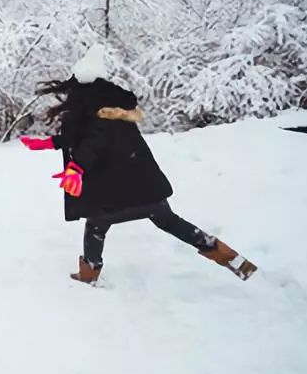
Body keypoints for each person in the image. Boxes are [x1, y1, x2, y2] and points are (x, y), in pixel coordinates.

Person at [20, 45, 257, 284]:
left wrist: (76, 167)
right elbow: (87, 137)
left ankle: (88, 274)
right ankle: (230, 257)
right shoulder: (114, 106)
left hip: (113, 193)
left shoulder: (93, 113)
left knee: (96, 225)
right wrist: (50, 143)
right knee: (168, 220)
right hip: (145, 187)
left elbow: (93, 141)